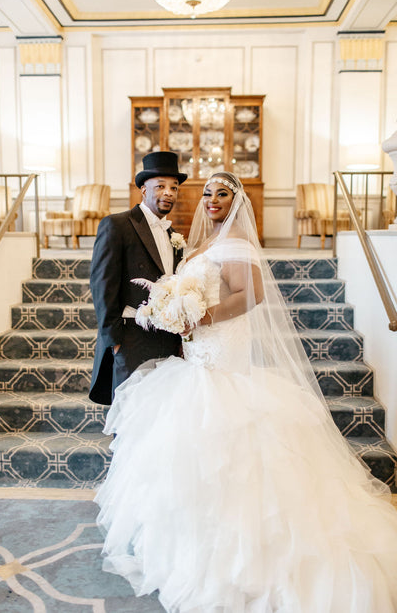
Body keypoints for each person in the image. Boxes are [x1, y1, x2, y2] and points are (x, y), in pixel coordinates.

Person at [95, 172, 397, 612]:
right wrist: (175, 309)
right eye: (207, 194)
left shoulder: (236, 243)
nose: (212, 200)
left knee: (233, 460)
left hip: (222, 358)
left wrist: (201, 317)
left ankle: (245, 563)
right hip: (195, 361)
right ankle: (189, 551)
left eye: (222, 194)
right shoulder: (200, 243)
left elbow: (250, 294)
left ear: (237, 203)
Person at [89, 151, 187, 406]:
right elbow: (102, 286)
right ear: (144, 189)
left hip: (166, 338)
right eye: (161, 186)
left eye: (174, 188)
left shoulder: (174, 236)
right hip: (131, 338)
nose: (169, 193)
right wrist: (115, 342)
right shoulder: (117, 225)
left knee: (159, 412)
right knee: (129, 413)